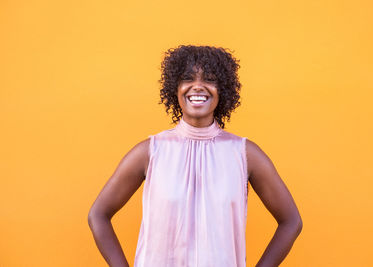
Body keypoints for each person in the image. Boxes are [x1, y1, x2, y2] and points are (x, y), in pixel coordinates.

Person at [88, 45, 302, 267]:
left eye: (209, 79)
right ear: (175, 88)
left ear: (223, 90)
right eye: (188, 79)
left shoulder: (244, 153)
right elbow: (98, 214)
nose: (198, 86)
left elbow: (291, 221)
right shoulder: (150, 152)